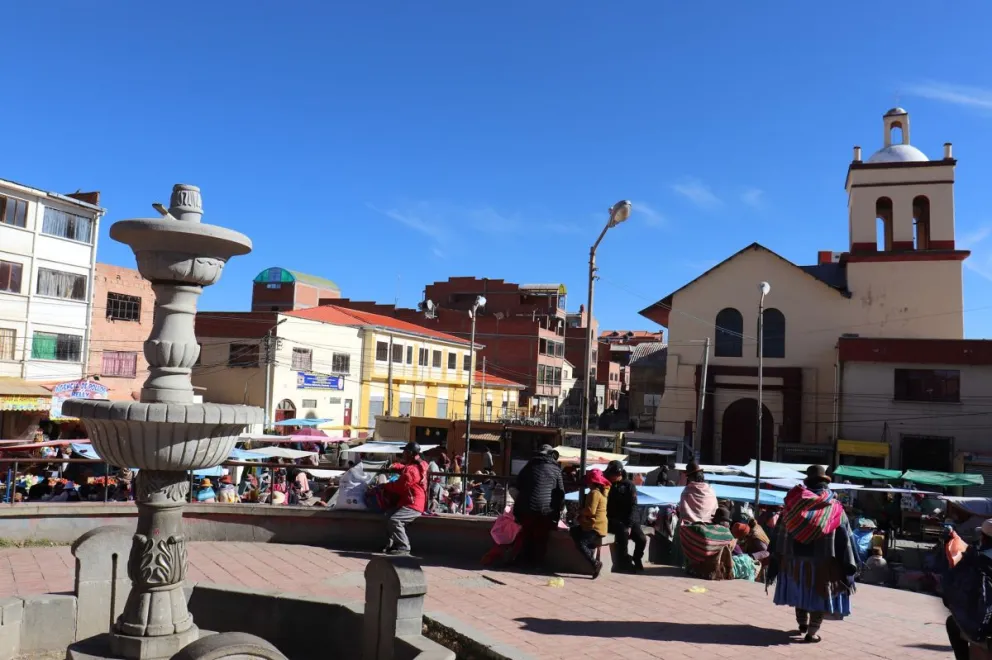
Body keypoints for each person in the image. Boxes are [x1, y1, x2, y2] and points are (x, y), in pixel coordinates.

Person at [768, 465, 857, 644]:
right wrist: (847, 564)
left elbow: (779, 534)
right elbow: (845, 537)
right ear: (825, 484)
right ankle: (812, 633)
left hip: (794, 561)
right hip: (823, 562)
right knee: (819, 597)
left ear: (807, 483)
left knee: (800, 591)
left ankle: (802, 624)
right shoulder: (835, 507)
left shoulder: (792, 505)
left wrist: (777, 559)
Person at [512, 445, 565, 569]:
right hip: (545, 511)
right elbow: (560, 493)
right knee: (541, 538)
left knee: (527, 534)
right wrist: (558, 510)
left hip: (526, 508)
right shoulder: (555, 469)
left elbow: (517, 484)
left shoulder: (529, 466)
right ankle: (537, 565)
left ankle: (525, 562)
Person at [381, 442, 429, 556]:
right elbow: (406, 468)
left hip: (413, 504)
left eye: (405, 452)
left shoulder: (412, 470)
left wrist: (384, 485)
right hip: (410, 501)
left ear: (410, 454)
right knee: (388, 516)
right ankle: (391, 544)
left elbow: (400, 487)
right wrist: (396, 466)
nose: (403, 453)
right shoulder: (415, 466)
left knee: (395, 520)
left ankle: (403, 547)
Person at [603, 461, 646, 573]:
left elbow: (633, 506)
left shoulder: (629, 485)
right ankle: (624, 562)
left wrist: (630, 524)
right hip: (613, 519)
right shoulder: (607, 484)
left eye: (613, 475)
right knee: (623, 533)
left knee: (641, 539)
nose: (611, 477)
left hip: (628, 518)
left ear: (619, 474)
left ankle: (637, 558)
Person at [571, 469, 610, 578]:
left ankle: (595, 563)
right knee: (574, 530)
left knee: (581, 544)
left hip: (595, 527)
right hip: (599, 526)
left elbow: (590, 511)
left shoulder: (594, 493)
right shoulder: (602, 492)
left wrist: (579, 511)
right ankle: (591, 549)